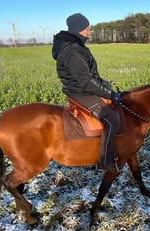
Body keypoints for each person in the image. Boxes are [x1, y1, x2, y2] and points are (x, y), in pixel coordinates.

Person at [52, 13, 121, 172]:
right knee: (111, 120)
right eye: (86, 29)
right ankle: (105, 161)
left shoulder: (76, 47)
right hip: (81, 93)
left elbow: (91, 76)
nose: (89, 32)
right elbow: (86, 81)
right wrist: (110, 95)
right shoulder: (72, 51)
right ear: (78, 29)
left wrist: (106, 85)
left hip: (82, 89)